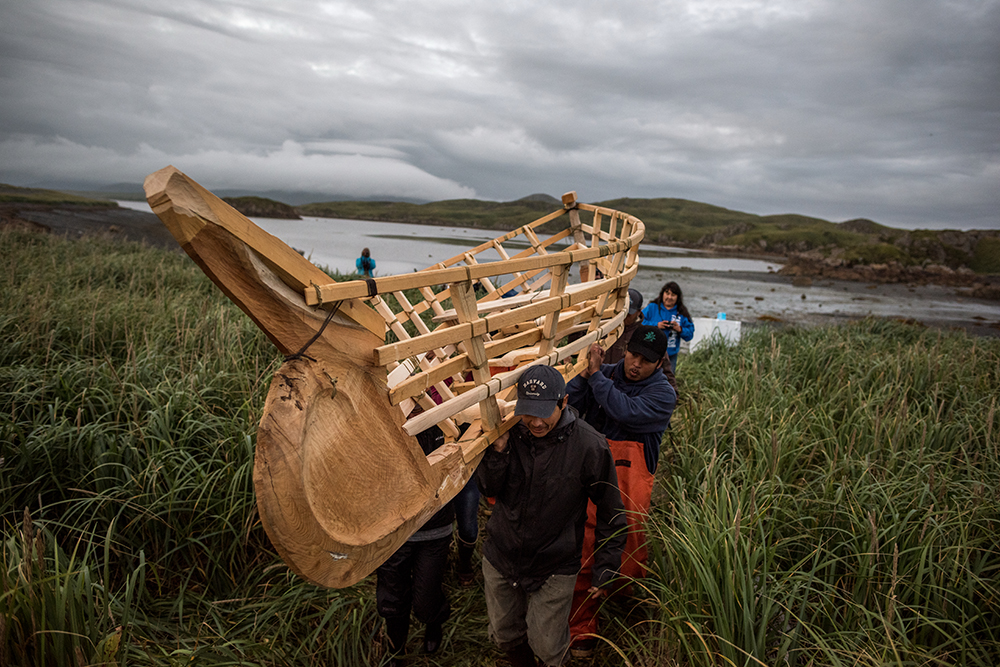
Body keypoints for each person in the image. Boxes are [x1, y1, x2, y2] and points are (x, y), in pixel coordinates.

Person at [477, 365, 626, 667]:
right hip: (502, 554)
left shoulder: (589, 445)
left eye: (543, 412)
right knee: (505, 633)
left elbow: (612, 511)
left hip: (555, 562)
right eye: (527, 412)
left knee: (548, 646)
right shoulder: (510, 435)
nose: (534, 421)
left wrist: (606, 567)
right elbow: (487, 488)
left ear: (564, 402)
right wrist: (498, 453)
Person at [564, 326, 677, 657]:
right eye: (633, 355)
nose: (635, 364)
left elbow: (624, 411)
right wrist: (584, 375)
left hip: (631, 481)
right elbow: (573, 401)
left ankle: (621, 596)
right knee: (587, 547)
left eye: (645, 361)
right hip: (594, 473)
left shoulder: (663, 394)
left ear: (659, 364)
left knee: (626, 550)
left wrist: (596, 377)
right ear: (625, 349)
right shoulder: (609, 372)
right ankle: (581, 628)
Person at [376, 424, 453, 666]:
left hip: (434, 528)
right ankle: (395, 650)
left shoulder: (445, 419)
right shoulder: (382, 419)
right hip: (393, 530)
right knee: (392, 595)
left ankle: (433, 621)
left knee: (425, 597)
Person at [609, 288, 677, 393]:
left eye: (628, 312)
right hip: (601, 390)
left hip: (631, 396)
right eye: (620, 311)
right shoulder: (602, 330)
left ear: (639, 311)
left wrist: (670, 398)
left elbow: (667, 376)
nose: (623, 316)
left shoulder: (646, 336)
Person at [641, 281, 694, 374]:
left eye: (673, 295)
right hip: (651, 351)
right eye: (667, 293)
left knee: (668, 380)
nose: (669, 297)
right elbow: (639, 322)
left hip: (671, 355)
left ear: (677, 297)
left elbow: (690, 334)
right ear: (662, 294)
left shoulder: (682, 312)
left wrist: (679, 329)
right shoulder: (652, 307)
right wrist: (657, 325)